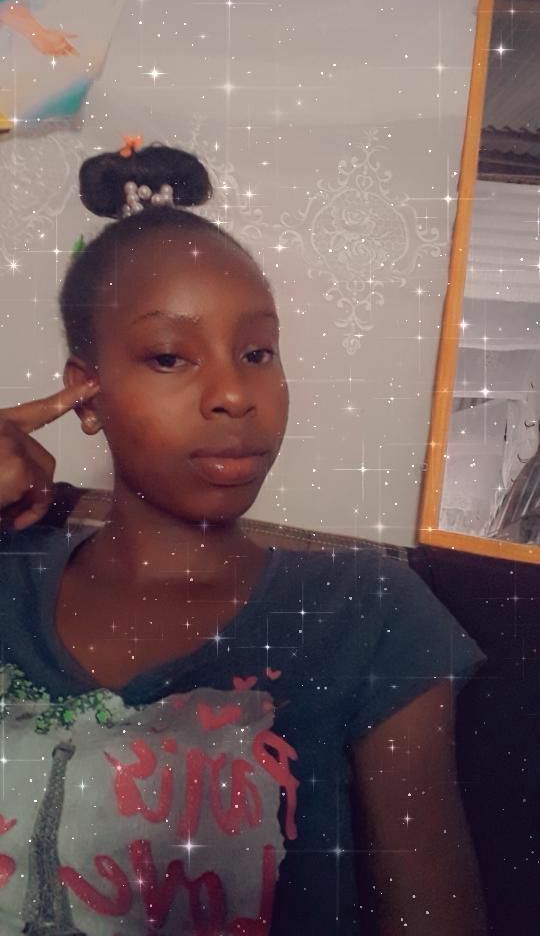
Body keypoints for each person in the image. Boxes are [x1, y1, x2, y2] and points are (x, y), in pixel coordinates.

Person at [0, 140, 487, 935]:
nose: (233, 392)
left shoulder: (365, 610)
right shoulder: (7, 576)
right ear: (85, 394)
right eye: (169, 356)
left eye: (257, 352)